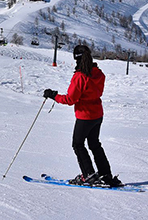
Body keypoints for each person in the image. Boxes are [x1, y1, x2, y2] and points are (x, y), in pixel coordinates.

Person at [43, 44, 122, 187]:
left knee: (78, 144)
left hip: (85, 116)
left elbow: (70, 99)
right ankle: (106, 175)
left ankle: (89, 174)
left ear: (76, 58)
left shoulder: (80, 76)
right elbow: (97, 92)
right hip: (97, 114)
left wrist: (54, 96)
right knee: (94, 144)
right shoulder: (98, 73)